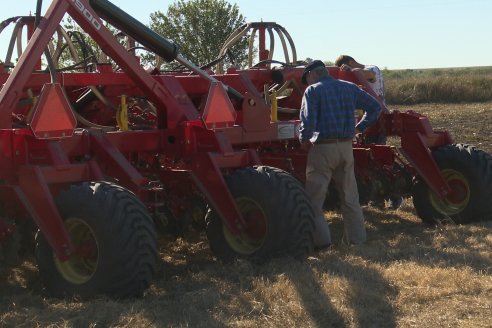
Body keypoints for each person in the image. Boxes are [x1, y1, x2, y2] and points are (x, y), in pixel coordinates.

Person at [299, 60, 381, 248]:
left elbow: (308, 121)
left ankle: (322, 243)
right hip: (346, 148)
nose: (308, 82)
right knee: (350, 197)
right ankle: (356, 241)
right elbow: (375, 107)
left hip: (323, 148)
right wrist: (360, 128)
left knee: (314, 199)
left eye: (307, 78)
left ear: (312, 74)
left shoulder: (312, 91)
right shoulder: (349, 88)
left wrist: (303, 139)